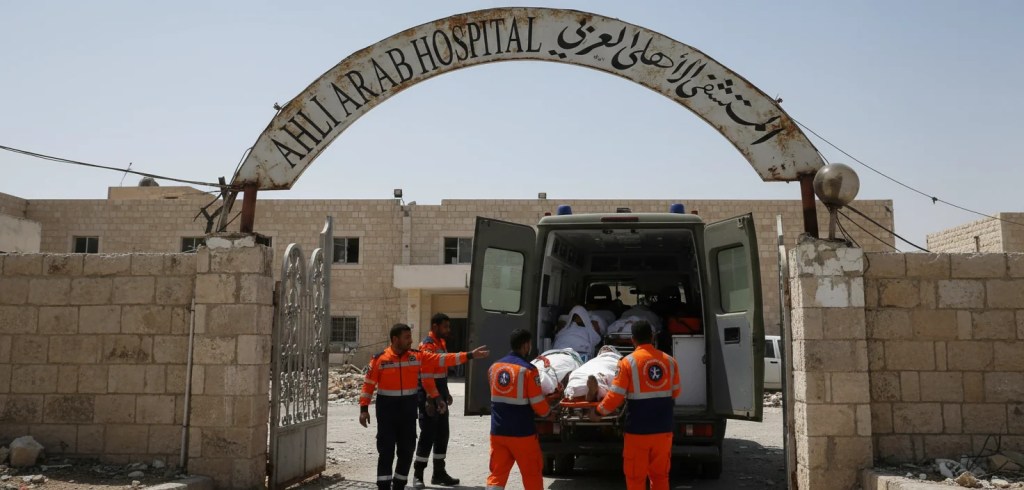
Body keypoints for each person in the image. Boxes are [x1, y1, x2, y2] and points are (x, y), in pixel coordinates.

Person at [360, 323, 490, 490]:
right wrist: (364, 409)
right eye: (407, 337)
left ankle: (399, 486)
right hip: (387, 414)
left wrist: (470, 355)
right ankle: (383, 487)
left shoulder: (416, 356)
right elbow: (368, 385)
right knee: (386, 452)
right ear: (395, 339)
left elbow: (443, 359)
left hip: (407, 414)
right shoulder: (380, 359)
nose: (411, 340)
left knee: (407, 452)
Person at [588, 321, 680, 490]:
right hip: (664, 430)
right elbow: (675, 392)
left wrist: (598, 412)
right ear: (652, 337)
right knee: (660, 476)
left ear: (632, 340)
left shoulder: (627, 363)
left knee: (636, 478)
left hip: (638, 431)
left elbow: (615, 396)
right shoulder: (670, 361)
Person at [486, 329, 552, 490]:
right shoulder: (528, 370)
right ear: (525, 345)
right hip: (523, 434)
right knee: (532, 474)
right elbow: (538, 403)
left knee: (497, 475)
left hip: (498, 432)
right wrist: (548, 413)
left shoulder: (494, 367)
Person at [412, 313, 460, 487]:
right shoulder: (427, 345)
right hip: (428, 394)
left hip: (440, 392)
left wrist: (446, 393)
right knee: (427, 435)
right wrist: (431, 398)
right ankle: (418, 475)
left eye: (448, 326)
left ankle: (439, 473)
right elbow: (426, 376)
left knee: (442, 434)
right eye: (445, 326)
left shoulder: (441, 343)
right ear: (435, 327)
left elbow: (441, 373)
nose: (448, 329)